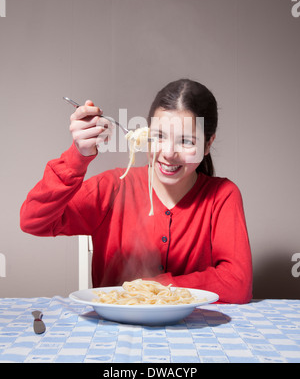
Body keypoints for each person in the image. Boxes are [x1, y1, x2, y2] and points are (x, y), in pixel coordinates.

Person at [20, 79, 252, 303]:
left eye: (186, 141)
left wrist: (154, 288)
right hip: (115, 333)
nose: (169, 153)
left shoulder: (222, 195)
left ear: (208, 144)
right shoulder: (113, 186)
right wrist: (78, 157)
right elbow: (33, 221)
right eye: (159, 136)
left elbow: (237, 282)